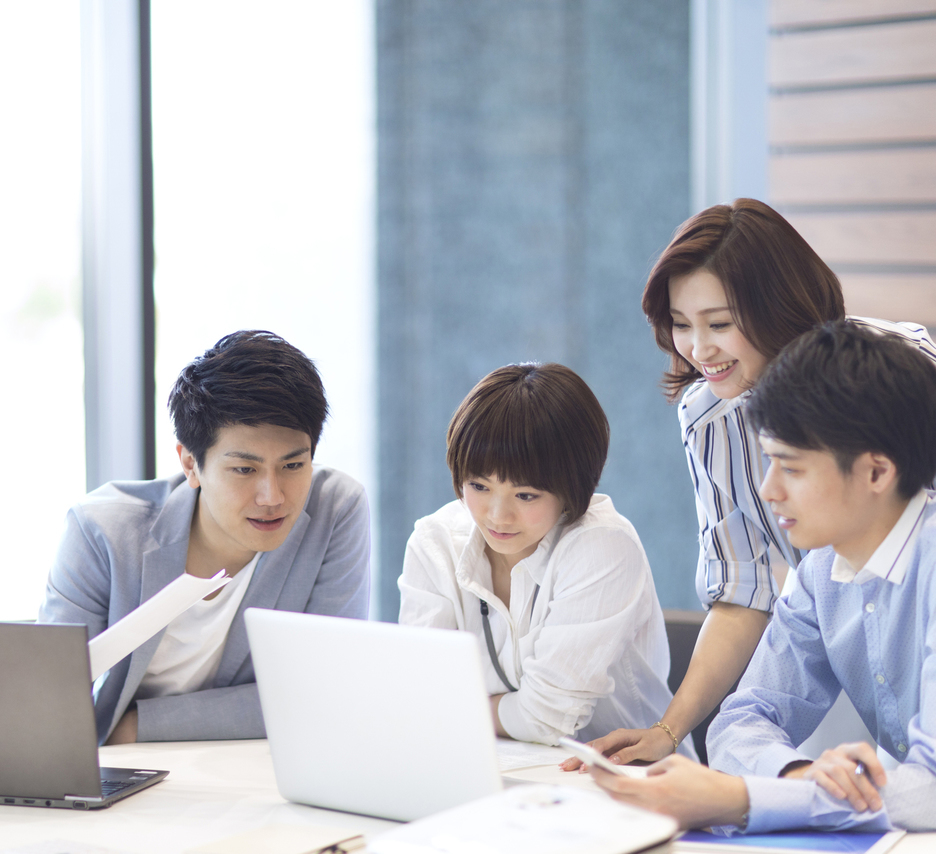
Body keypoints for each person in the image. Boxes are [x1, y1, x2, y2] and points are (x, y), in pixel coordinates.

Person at [576, 199, 936, 767]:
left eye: (719, 323)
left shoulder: (891, 367)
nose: (699, 349)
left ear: (778, 307)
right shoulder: (710, 416)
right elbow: (743, 590)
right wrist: (669, 731)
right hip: (832, 661)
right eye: (681, 324)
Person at [592, 322, 936, 833]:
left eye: (791, 468)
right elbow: (741, 721)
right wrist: (796, 774)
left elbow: (929, 790)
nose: (769, 490)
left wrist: (741, 798)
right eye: (768, 462)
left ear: (877, 472)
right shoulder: (820, 569)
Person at [38, 330, 370, 744]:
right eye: (244, 470)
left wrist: (135, 727)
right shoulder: (103, 532)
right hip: (124, 769)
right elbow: (48, 704)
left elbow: (325, 693)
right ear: (190, 464)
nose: (273, 497)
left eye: (293, 465)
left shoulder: (334, 510)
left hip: (253, 765)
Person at [398, 363, 692, 752]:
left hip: (627, 775)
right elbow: (421, 695)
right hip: (489, 768)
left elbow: (549, 717)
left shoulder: (602, 547)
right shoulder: (434, 543)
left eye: (525, 495)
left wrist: (460, 709)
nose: (498, 516)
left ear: (572, 489)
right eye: (479, 486)